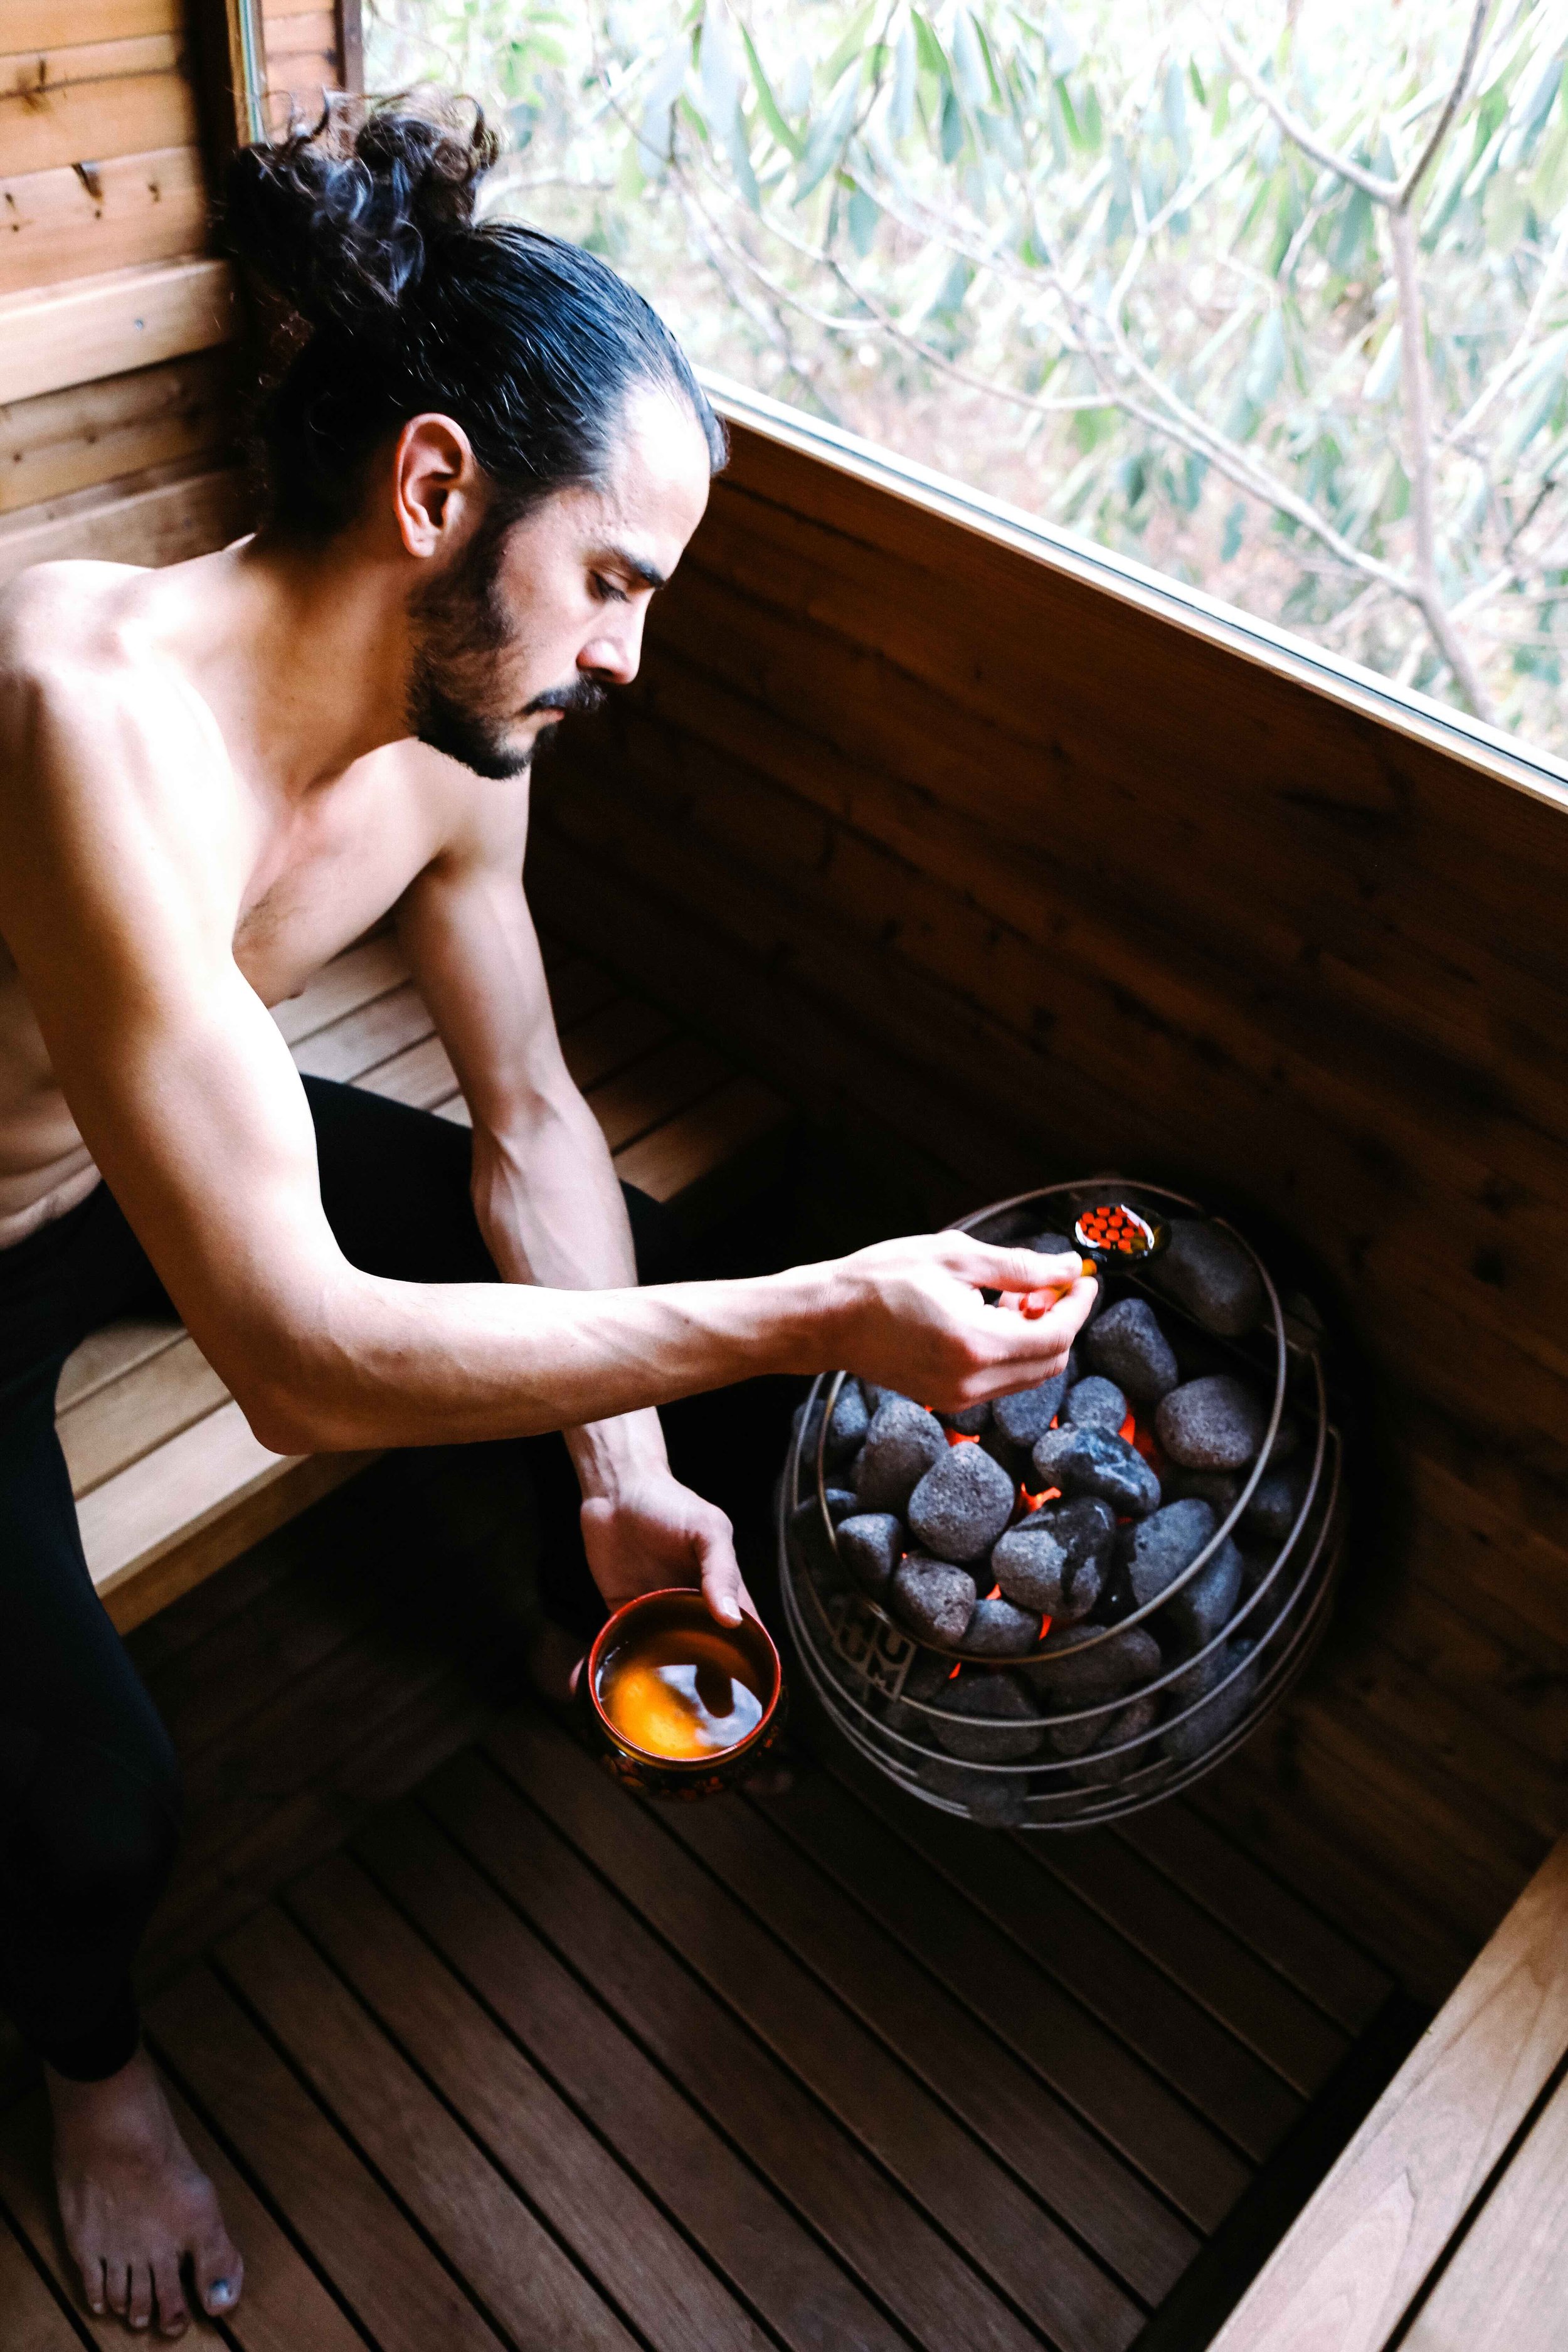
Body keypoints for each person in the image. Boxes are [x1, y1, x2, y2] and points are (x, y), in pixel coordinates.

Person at [0, 98, 1096, 2339]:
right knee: (98, 1798)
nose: (629, 659)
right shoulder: (76, 716)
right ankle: (90, 2075)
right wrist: (819, 1311)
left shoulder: (447, 744)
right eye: (614, 583)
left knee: (622, 1300)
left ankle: (565, 1591)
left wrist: (619, 1473)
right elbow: (296, 1362)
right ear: (435, 492)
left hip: (145, 1152)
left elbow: (526, 1118)